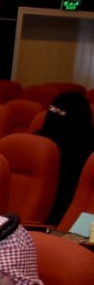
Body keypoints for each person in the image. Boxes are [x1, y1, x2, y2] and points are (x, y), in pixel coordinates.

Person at [35, 91, 94, 225]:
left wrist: (76, 236)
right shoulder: (39, 145)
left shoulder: (88, 154)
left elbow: (88, 221)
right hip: (39, 223)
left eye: (59, 112)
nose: (53, 115)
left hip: (74, 228)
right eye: (52, 110)